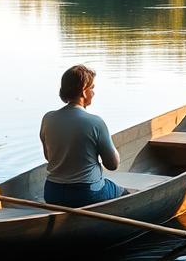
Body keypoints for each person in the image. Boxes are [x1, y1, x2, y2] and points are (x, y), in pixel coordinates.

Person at [40, 64, 126, 207]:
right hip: (86, 193)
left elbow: (49, 157)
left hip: (52, 192)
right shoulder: (95, 122)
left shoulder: (48, 119)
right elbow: (112, 165)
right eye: (92, 88)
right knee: (123, 193)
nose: (94, 92)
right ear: (84, 92)